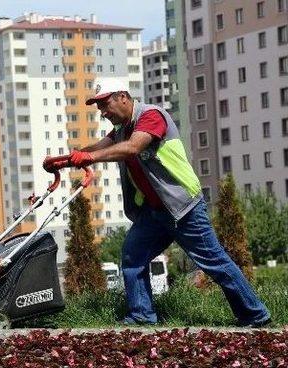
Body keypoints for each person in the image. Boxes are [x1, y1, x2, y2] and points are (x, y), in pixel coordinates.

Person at [43, 79, 271, 327]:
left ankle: (255, 314)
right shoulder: (120, 130)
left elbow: (132, 148)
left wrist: (88, 156)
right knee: (133, 257)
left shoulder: (151, 116)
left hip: (183, 208)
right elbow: (98, 148)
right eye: (99, 108)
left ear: (123, 97)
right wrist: (65, 161)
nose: (103, 112)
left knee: (214, 262)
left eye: (105, 105)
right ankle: (142, 314)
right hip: (154, 212)